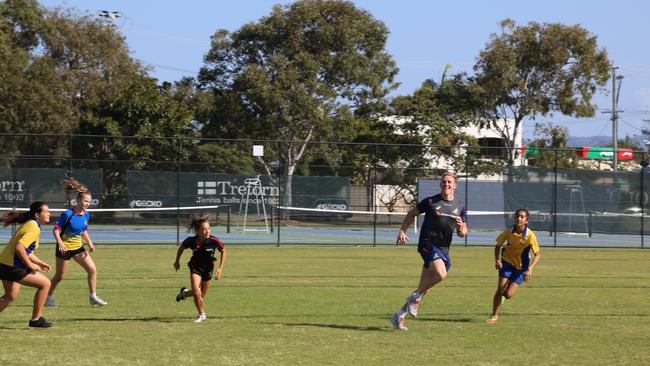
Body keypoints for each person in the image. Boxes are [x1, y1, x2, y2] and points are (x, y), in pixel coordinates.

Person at [390, 171, 468, 331]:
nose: (446, 184)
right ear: (441, 184)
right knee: (441, 275)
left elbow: (463, 233)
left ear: (455, 185)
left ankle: (399, 315)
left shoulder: (460, 206)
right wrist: (402, 230)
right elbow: (412, 213)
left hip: (444, 249)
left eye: (449, 182)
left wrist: (461, 228)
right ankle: (415, 297)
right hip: (427, 244)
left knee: (423, 287)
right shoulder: (431, 202)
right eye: (444, 181)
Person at [45, 178, 107, 307]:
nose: (87, 204)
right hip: (64, 249)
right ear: (78, 200)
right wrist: (61, 243)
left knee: (92, 270)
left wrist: (89, 242)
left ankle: (93, 297)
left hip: (78, 248)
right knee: (59, 276)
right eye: (85, 201)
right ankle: (46, 298)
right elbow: (56, 230)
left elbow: (83, 229)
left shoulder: (86, 214)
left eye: (89, 202)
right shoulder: (68, 214)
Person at [0, 201, 54, 327]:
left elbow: (27, 251)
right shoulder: (33, 227)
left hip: (4, 264)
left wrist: (39, 263)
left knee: (10, 296)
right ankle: (36, 320)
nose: (49, 214)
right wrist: (30, 265)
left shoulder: (32, 224)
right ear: (37, 214)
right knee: (45, 284)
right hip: (12, 267)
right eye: (46, 212)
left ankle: (36, 319)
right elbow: (19, 248)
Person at [487, 208, 541, 324]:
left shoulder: (530, 235)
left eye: (522, 217)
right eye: (517, 216)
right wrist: (497, 260)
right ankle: (494, 315)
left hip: (521, 267)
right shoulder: (508, 231)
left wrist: (530, 269)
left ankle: (503, 296)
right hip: (506, 262)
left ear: (526, 221)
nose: (519, 218)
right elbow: (498, 246)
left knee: (508, 294)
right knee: (501, 287)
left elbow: (538, 254)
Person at [173, 215, 227, 323]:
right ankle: (202, 315)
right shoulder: (191, 241)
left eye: (209, 228)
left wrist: (220, 269)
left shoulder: (214, 240)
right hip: (195, 267)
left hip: (208, 269)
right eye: (204, 229)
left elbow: (223, 251)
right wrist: (177, 261)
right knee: (197, 293)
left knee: (201, 294)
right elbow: (182, 247)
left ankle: (184, 293)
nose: (207, 231)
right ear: (198, 231)